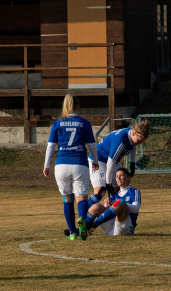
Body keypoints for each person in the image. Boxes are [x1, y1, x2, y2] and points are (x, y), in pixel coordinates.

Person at [43, 94, 99, 240]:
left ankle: (72, 233)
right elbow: (92, 145)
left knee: (67, 198)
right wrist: (96, 160)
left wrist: (46, 165)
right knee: (81, 198)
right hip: (79, 164)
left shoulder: (57, 123)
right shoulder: (84, 123)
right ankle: (81, 221)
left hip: (62, 164)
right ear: (78, 107)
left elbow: (50, 146)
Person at [87, 120, 150, 208]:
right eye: (139, 140)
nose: (139, 143)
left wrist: (132, 164)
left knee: (118, 190)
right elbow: (110, 163)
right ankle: (85, 213)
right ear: (134, 132)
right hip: (99, 159)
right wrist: (108, 184)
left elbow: (133, 146)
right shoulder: (121, 140)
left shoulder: (132, 135)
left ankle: (116, 217)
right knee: (100, 191)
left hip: (113, 161)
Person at [82, 167, 140, 238]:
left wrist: (118, 203)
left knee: (121, 203)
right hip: (110, 228)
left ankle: (93, 225)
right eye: (117, 176)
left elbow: (136, 209)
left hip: (125, 228)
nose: (118, 178)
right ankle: (83, 230)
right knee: (96, 207)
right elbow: (107, 211)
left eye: (121, 175)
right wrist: (107, 204)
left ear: (129, 178)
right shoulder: (114, 196)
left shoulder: (135, 192)